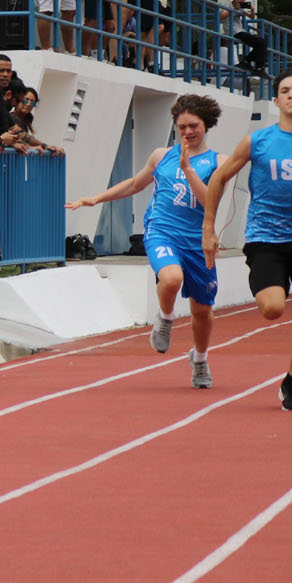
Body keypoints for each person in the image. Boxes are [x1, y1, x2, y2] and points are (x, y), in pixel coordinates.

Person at [202, 66, 292, 411]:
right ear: (276, 100)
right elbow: (218, 179)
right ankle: (289, 373)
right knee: (272, 309)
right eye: (285, 90)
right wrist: (209, 228)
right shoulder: (257, 141)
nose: (291, 94)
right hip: (266, 237)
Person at [68, 93, 224, 387]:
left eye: (194, 126)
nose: (188, 132)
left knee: (202, 312)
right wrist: (96, 198)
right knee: (171, 278)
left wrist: (189, 170)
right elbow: (135, 183)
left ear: (207, 125)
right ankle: (165, 318)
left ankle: (200, 359)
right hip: (162, 231)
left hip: (197, 240)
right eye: (182, 126)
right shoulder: (161, 155)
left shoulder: (218, 161)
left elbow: (210, 202)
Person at [219, 0, 269, 77]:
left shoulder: (241, 7)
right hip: (234, 32)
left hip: (240, 31)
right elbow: (221, 16)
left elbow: (251, 16)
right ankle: (257, 66)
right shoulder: (228, 6)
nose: (241, 0)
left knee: (262, 43)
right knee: (261, 43)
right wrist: (233, 9)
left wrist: (252, 10)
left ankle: (249, 63)